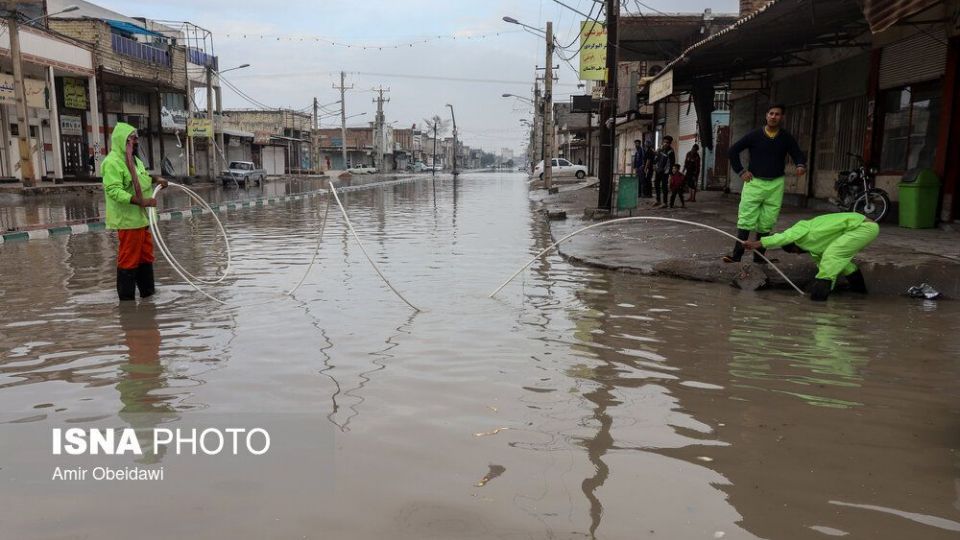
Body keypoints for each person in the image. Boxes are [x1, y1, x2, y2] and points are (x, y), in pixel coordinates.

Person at [724, 104, 807, 264]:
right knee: (746, 219)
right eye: (771, 113)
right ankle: (736, 256)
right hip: (754, 182)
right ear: (766, 115)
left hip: (776, 184)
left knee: (767, 222)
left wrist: (800, 164)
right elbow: (733, 151)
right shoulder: (754, 135)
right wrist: (741, 171)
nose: (774, 117)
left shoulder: (786, 137)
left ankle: (759, 258)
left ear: (782, 117)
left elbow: (797, 153)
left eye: (777, 114)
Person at [742, 212, 878, 301]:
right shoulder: (815, 250)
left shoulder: (800, 229)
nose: (798, 254)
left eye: (795, 251)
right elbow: (826, 269)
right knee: (841, 264)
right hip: (859, 228)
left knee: (832, 256)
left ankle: (818, 301)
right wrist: (824, 288)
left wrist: (758, 243)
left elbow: (783, 237)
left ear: (795, 244)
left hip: (862, 227)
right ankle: (860, 294)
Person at [103, 122, 167, 301]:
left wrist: (157, 179)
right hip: (128, 221)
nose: (136, 142)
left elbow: (143, 178)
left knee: (146, 257)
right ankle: (126, 303)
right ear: (122, 140)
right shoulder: (112, 162)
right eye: (132, 139)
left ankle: (148, 297)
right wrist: (140, 201)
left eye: (137, 138)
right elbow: (114, 191)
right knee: (129, 258)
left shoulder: (135, 161)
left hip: (141, 220)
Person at [653, 136, 676, 208]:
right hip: (658, 170)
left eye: (667, 142)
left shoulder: (671, 151)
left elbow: (672, 163)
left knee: (664, 187)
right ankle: (658, 200)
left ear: (670, 143)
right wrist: (655, 165)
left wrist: (670, 174)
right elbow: (656, 158)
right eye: (664, 142)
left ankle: (665, 203)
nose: (665, 143)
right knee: (656, 184)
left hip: (665, 172)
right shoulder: (661, 149)